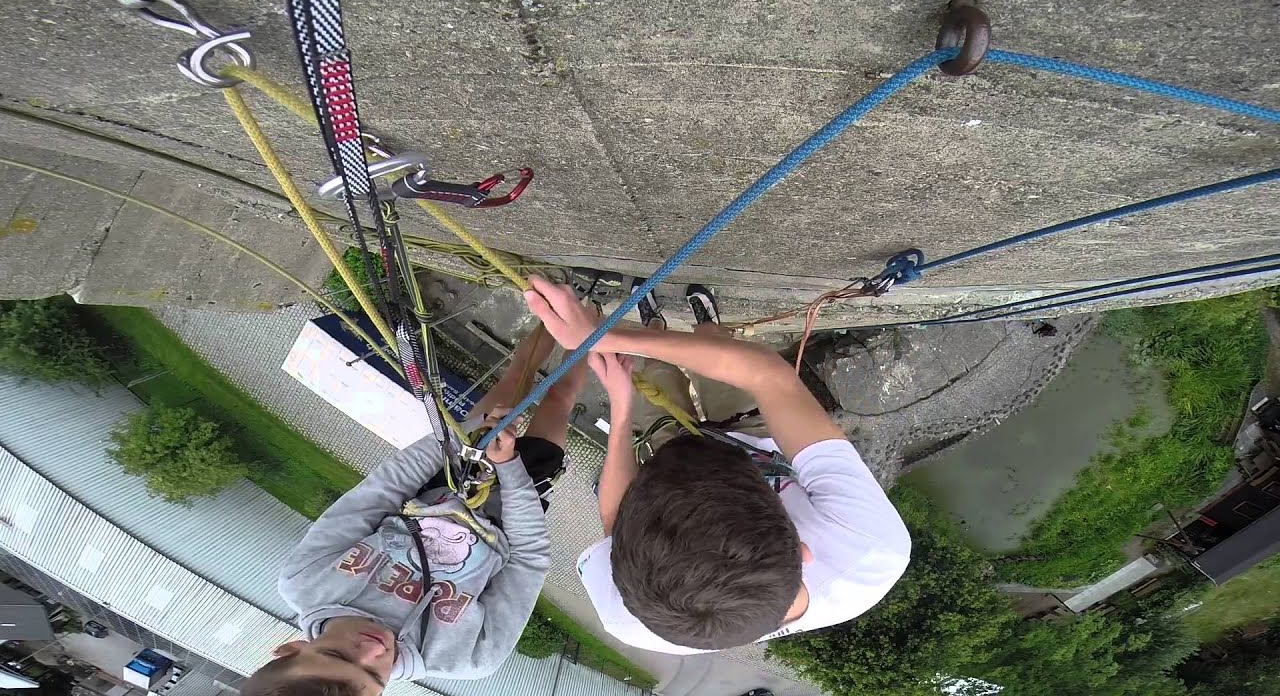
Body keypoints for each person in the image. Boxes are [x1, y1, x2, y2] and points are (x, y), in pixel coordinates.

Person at [524, 275, 912, 654]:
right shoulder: (870, 548)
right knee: (718, 362)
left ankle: (653, 323)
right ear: (802, 549)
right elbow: (768, 376)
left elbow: (616, 523)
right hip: (765, 442)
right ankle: (706, 326)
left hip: (695, 465)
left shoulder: (631, 617)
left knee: (648, 375)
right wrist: (606, 337)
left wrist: (623, 411)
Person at [240, 326, 590, 695]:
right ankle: (592, 323)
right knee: (559, 398)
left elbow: (380, 493)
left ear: (289, 650)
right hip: (515, 510)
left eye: (339, 654)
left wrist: (463, 435)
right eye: (377, 677)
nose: (375, 649)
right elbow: (528, 562)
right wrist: (511, 467)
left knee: (516, 375)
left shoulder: (306, 582)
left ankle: (561, 312)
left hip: (443, 473)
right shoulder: (465, 658)